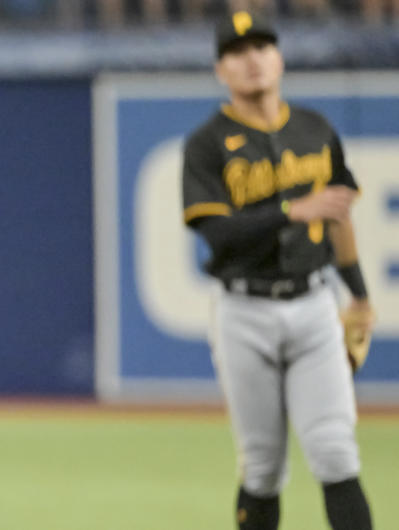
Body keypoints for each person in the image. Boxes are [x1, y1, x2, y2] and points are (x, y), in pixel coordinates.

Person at [180, 11, 375, 530]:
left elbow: (338, 215)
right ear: (222, 69)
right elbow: (216, 233)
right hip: (244, 311)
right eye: (238, 51)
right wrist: (291, 211)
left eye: (263, 47)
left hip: (315, 306)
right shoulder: (207, 143)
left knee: (336, 452)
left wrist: (359, 296)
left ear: (280, 58)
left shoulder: (315, 129)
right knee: (263, 467)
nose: (253, 59)